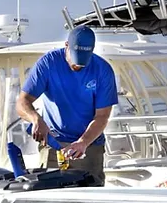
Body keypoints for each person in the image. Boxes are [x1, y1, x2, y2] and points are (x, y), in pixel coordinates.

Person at [15, 25, 118, 184]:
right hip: (53, 143)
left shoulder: (103, 70)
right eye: (75, 60)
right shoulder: (48, 63)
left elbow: (102, 116)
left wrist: (83, 142)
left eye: (83, 63)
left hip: (88, 145)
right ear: (66, 46)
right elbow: (22, 102)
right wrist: (36, 119)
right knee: (46, 194)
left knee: (89, 198)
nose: (77, 66)